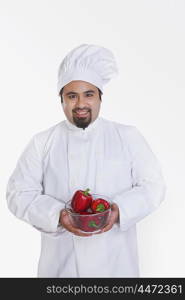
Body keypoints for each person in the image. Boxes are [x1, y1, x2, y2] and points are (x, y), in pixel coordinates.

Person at [6, 44, 166, 277]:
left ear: (100, 97)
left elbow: (154, 186)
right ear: (61, 99)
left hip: (117, 267)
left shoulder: (127, 137)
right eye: (72, 96)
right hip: (60, 271)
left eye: (88, 94)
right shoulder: (42, 142)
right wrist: (57, 215)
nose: (80, 104)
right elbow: (17, 193)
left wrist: (119, 210)